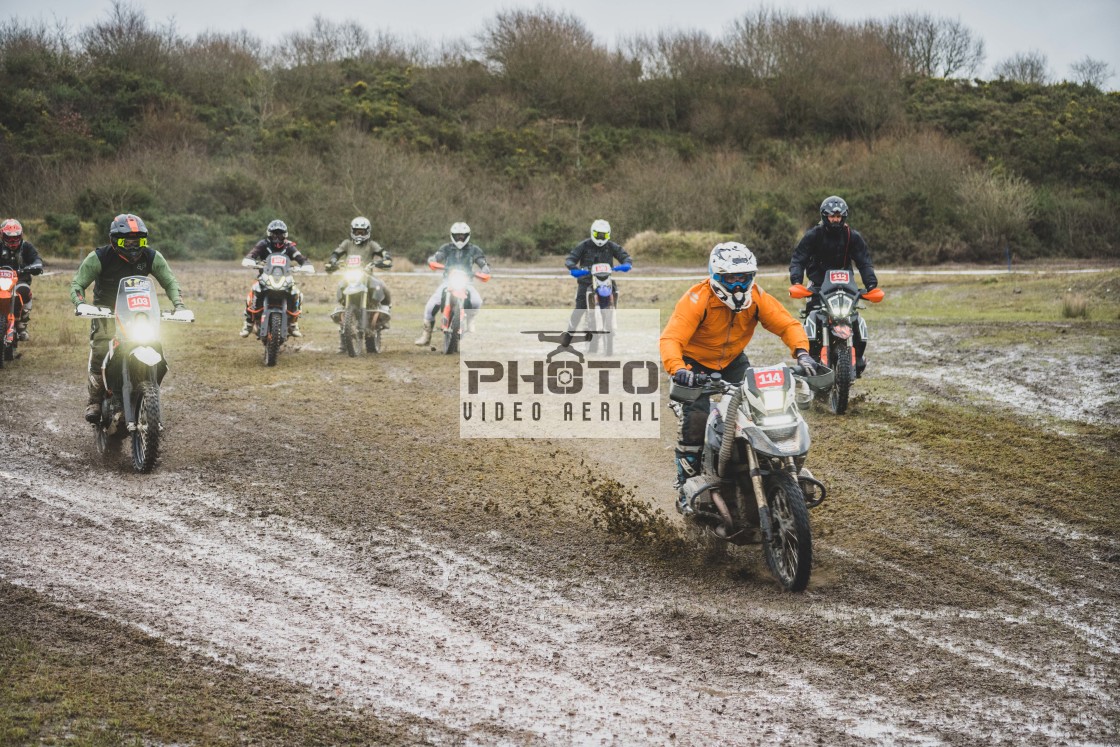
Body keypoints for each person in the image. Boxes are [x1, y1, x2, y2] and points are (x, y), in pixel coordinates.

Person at [661, 242, 814, 514]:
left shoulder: (756, 297)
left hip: (733, 361)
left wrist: (802, 353)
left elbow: (786, 324)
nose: (737, 284)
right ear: (717, 275)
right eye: (731, 277)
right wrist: (679, 369)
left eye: (743, 277)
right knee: (697, 418)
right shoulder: (697, 298)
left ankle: (775, 465)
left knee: (762, 406)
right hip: (694, 366)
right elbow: (672, 338)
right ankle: (686, 485)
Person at [69, 213, 187, 423]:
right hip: (106, 314)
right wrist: (81, 304)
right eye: (127, 242)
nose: (134, 247)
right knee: (101, 350)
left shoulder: (152, 257)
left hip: (139, 313)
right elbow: (77, 284)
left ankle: (146, 393)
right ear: (114, 241)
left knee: (156, 345)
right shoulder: (99, 257)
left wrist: (178, 304)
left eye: (139, 241)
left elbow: (170, 281)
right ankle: (95, 400)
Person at [789, 195, 878, 376]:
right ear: (824, 216)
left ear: (844, 217)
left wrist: (871, 285)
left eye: (838, 216)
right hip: (818, 284)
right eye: (832, 216)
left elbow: (864, 262)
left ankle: (858, 358)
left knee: (855, 318)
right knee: (812, 316)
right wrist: (797, 282)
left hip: (845, 285)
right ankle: (812, 359)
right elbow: (798, 259)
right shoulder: (814, 235)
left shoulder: (852, 236)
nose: (835, 220)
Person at [414, 222, 491, 346]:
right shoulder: (446, 248)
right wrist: (432, 261)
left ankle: (470, 320)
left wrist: (485, 270)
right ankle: (426, 335)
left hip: (467, 282)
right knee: (430, 306)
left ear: (468, 235)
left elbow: (483, 263)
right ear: (452, 235)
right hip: (447, 281)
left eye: (462, 236)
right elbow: (437, 257)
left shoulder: (474, 249)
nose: (460, 238)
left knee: (477, 301)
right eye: (457, 236)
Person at [324, 216, 393, 353]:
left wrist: (385, 259)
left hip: (367, 276)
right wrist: (332, 261)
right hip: (350, 276)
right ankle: (343, 343)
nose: (359, 234)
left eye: (362, 232)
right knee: (340, 289)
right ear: (352, 231)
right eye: (357, 231)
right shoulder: (347, 244)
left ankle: (386, 311)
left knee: (384, 287)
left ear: (367, 231)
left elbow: (383, 252)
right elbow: (336, 254)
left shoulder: (372, 245)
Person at [240, 219, 312, 338]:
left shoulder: (289, 247)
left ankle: (293, 324)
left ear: (285, 234)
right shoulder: (263, 244)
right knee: (253, 292)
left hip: (285, 278)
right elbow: (252, 254)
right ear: (269, 233)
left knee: (298, 293)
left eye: (280, 233)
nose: (277, 236)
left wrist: (306, 265)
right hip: (264, 277)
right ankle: (248, 323)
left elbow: (300, 258)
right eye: (274, 233)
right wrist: (251, 261)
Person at [0, 219, 43, 341]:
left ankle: (21, 325)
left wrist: (35, 266)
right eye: (9, 238)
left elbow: (36, 260)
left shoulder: (27, 247)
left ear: (21, 235)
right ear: (2, 236)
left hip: (20, 280)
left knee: (24, 290)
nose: (13, 241)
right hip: (0, 282)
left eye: (16, 237)